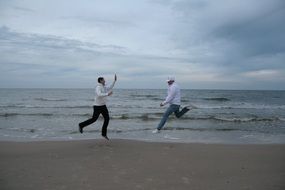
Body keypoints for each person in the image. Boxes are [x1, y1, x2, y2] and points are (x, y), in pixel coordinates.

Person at [79, 74, 117, 140]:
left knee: (107, 118)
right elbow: (99, 94)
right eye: (104, 80)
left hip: (103, 106)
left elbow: (110, 87)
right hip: (97, 106)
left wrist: (114, 81)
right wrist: (108, 94)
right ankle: (81, 125)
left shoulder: (104, 86)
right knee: (94, 119)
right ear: (101, 80)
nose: (105, 81)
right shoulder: (98, 87)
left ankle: (104, 134)